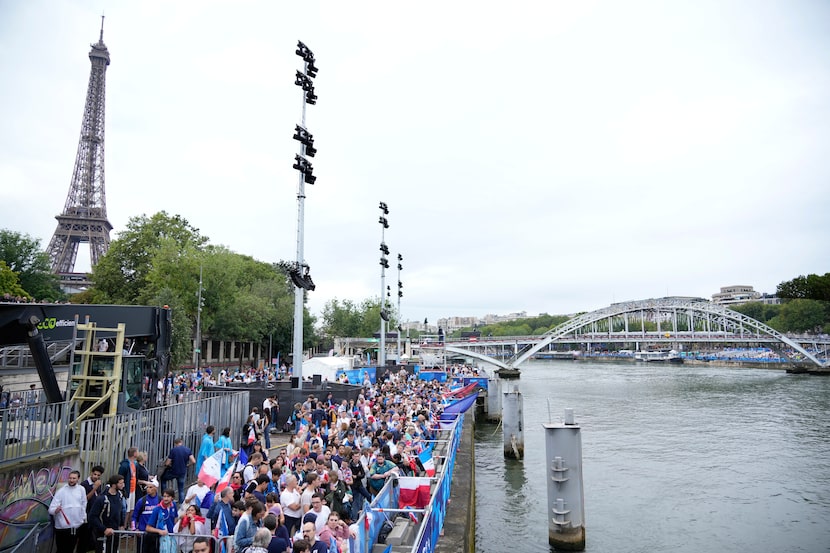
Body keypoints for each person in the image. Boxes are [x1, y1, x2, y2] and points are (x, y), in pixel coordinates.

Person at [48, 470, 87, 553]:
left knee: (70, 549)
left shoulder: (81, 489)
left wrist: (83, 517)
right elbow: (51, 509)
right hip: (62, 527)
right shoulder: (61, 491)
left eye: (74, 478)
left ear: (78, 479)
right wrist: (56, 510)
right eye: (70, 478)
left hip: (76, 526)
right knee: (61, 549)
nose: (71, 480)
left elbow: (84, 503)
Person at [88, 475, 126, 553]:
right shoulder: (102, 499)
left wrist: (121, 525)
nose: (123, 485)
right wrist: (104, 529)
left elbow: (121, 511)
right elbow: (92, 517)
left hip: (115, 532)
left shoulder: (120, 496)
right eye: (120, 483)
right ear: (114, 485)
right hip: (103, 533)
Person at [78, 465, 105, 553]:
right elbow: (84, 499)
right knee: (84, 537)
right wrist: (94, 488)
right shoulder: (84, 485)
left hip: (93, 514)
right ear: (91, 473)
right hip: (86, 514)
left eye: (98, 475)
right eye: (95, 474)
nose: (96, 477)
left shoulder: (98, 484)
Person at [132, 478, 161, 553]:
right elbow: (134, 516)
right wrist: (134, 529)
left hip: (156, 534)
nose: (148, 489)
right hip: (143, 534)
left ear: (156, 488)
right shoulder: (141, 501)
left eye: (151, 487)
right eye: (147, 487)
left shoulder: (160, 500)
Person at [145, 489, 178, 553]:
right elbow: (148, 528)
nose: (165, 498)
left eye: (168, 496)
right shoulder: (157, 509)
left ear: (172, 498)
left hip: (172, 538)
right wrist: (159, 531)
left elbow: (175, 520)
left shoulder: (174, 505)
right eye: (164, 496)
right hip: (160, 540)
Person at [166, 438, 195, 503]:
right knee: (181, 488)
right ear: (181, 442)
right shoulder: (187, 450)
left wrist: (169, 465)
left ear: (175, 444)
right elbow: (193, 461)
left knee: (163, 479)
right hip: (182, 471)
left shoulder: (173, 450)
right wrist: (187, 465)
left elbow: (167, 463)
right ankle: (181, 502)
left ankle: (164, 495)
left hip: (173, 471)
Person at [118, 447, 139, 522]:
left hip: (133, 489)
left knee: (132, 508)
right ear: (135, 454)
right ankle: (124, 525)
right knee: (127, 509)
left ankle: (130, 525)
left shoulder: (135, 464)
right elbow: (120, 476)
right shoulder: (125, 465)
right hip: (127, 489)